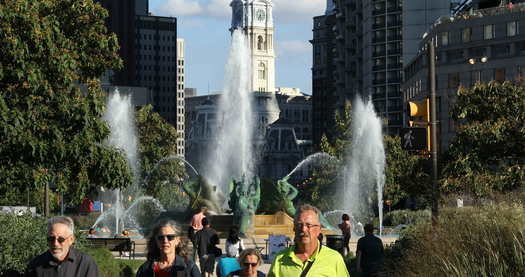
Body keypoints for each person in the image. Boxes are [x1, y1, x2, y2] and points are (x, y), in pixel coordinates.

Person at [268, 204, 350, 277]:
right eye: (299, 225)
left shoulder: (334, 258)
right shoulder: (280, 259)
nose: (303, 229)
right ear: (294, 228)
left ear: (318, 230)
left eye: (308, 225)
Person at [25, 216, 99, 277]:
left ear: (71, 240)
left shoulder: (85, 263)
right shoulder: (35, 266)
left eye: (61, 239)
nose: (55, 243)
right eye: (51, 239)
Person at [136, 219, 200, 277]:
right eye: (161, 238)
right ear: (156, 241)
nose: (165, 241)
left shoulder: (189, 267)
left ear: (178, 240)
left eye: (170, 237)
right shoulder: (146, 269)